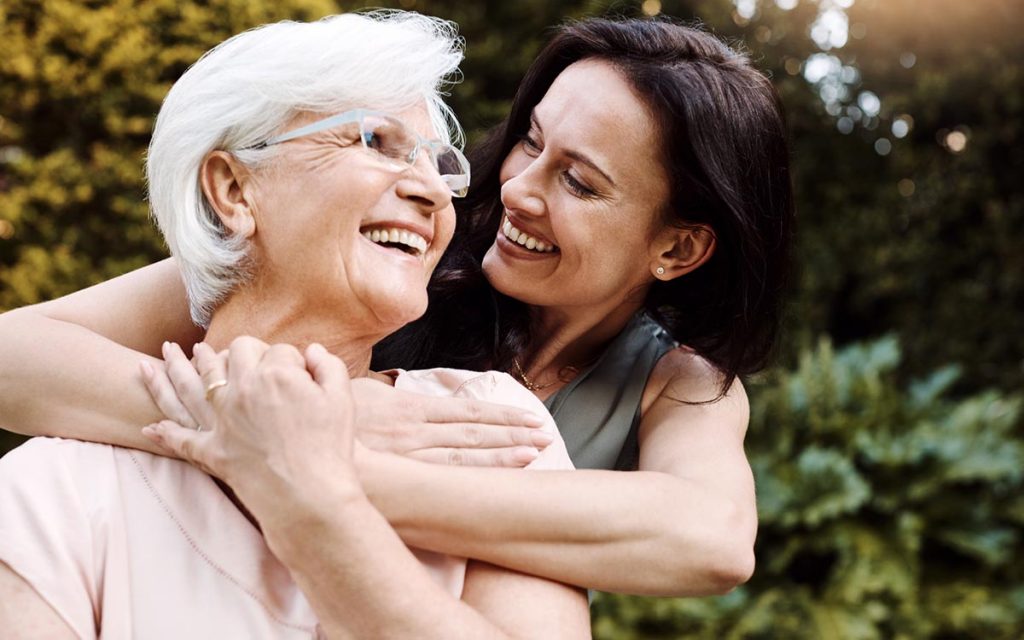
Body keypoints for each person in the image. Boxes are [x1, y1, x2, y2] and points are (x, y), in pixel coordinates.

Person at [0, 15, 794, 596]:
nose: (515, 188)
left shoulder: (676, 384)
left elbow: (711, 540)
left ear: (677, 249)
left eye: (579, 182)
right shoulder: (391, 250)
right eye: (530, 140)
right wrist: (313, 414)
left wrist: (322, 467)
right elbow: (16, 356)